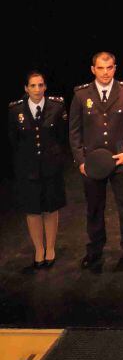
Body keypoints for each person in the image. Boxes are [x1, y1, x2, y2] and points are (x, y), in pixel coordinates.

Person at [69, 51, 123, 270]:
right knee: (94, 208)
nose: (105, 72)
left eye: (109, 68)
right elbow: (74, 131)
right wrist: (81, 160)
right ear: (93, 70)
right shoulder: (81, 95)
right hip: (93, 163)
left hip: (120, 161)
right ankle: (95, 250)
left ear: (115, 68)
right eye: (101, 68)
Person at [8, 71, 67, 271]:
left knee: (51, 208)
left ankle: (50, 248)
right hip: (28, 169)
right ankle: (38, 249)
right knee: (33, 211)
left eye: (40, 85)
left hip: (51, 168)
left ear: (45, 87)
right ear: (26, 89)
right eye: (32, 86)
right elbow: (13, 141)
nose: (37, 89)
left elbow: (61, 136)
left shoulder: (57, 107)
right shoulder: (16, 110)